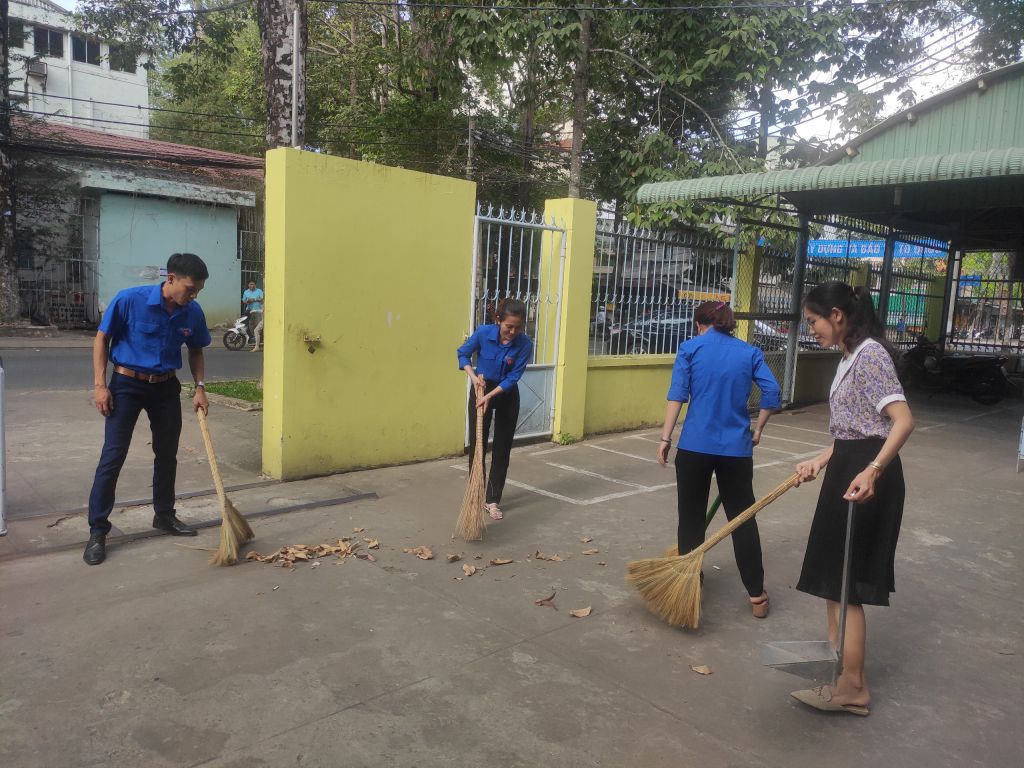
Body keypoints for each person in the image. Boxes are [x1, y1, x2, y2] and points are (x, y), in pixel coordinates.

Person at [791, 282, 915, 716]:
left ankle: (853, 687)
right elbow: (854, 427)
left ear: (838, 315)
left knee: (847, 585)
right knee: (833, 579)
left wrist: (873, 469)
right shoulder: (848, 356)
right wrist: (821, 459)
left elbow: (902, 421)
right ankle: (839, 672)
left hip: (867, 474)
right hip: (848, 465)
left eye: (814, 321)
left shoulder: (870, 355)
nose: (812, 330)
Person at [83, 253, 213, 566]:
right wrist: (100, 386)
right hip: (126, 385)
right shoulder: (130, 300)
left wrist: (200, 388)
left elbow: (196, 350)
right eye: (190, 289)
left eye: (198, 291)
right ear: (171, 278)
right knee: (113, 456)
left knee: (167, 454)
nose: (193, 296)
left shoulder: (192, 311)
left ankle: (164, 515)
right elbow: (102, 339)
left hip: (166, 388)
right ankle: (98, 530)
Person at [657, 301, 781, 618]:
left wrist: (665, 438)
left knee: (691, 519)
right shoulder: (749, 352)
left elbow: (677, 394)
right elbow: (772, 391)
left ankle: (689, 586)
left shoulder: (690, 349)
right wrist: (758, 429)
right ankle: (756, 596)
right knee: (742, 519)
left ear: (700, 324)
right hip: (736, 451)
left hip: (694, 448)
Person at [456, 299, 534, 520]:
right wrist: (474, 378)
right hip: (481, 388)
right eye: (509, 326)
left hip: (506, 393)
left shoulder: (525, 344)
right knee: (478, 446)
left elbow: (513, 377)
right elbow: (463, 354)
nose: (513, 332)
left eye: (518, 327)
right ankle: (475, 496)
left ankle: (492, 500)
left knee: (502, 448)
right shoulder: (483, 333)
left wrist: (490, 396)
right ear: (499, 320)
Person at [242, 280, 264, 351]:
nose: (252, 286)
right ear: (248, 285)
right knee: (250, 326)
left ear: (255, 285)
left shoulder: (259, 291)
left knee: (258, 326)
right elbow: (244, 301)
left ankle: (259, 342)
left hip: (258, 311)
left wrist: (254, 299)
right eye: (250, 284)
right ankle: (254, 340)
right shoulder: (246, 292)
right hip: (250, 311)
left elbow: (262, 299)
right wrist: (248, 301)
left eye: (253, 284)